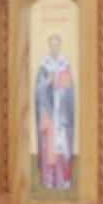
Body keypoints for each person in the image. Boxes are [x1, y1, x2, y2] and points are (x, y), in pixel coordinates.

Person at [35, 33, 74, 190]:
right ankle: (48, 181)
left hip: (62, 114)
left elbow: (71, 90)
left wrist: (65, 88)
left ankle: (63, 181)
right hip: (48, 114)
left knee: (62, 148)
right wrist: (47, 82)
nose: (55, 48)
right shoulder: (44, 65)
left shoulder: (65, 64)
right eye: (52, 44)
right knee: (48, 148)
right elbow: (38, 89)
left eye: (57, 44)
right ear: (49, 46)